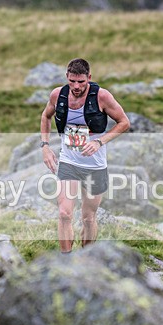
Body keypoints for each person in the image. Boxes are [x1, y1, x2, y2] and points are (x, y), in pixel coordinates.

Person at [40, 58, 130, 253]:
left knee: (88, 218)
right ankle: (67, 260)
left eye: (81, 82)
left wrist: (99, 141)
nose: (76, 86)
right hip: (68, 162)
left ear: (89, 78)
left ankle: (87, 258)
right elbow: (45, 116)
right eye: (72, 81)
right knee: (64, 213)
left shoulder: (102, 97)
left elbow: (124, 122)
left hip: (94, 166)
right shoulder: (58, 95)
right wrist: (45, 146)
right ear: (67, 77)